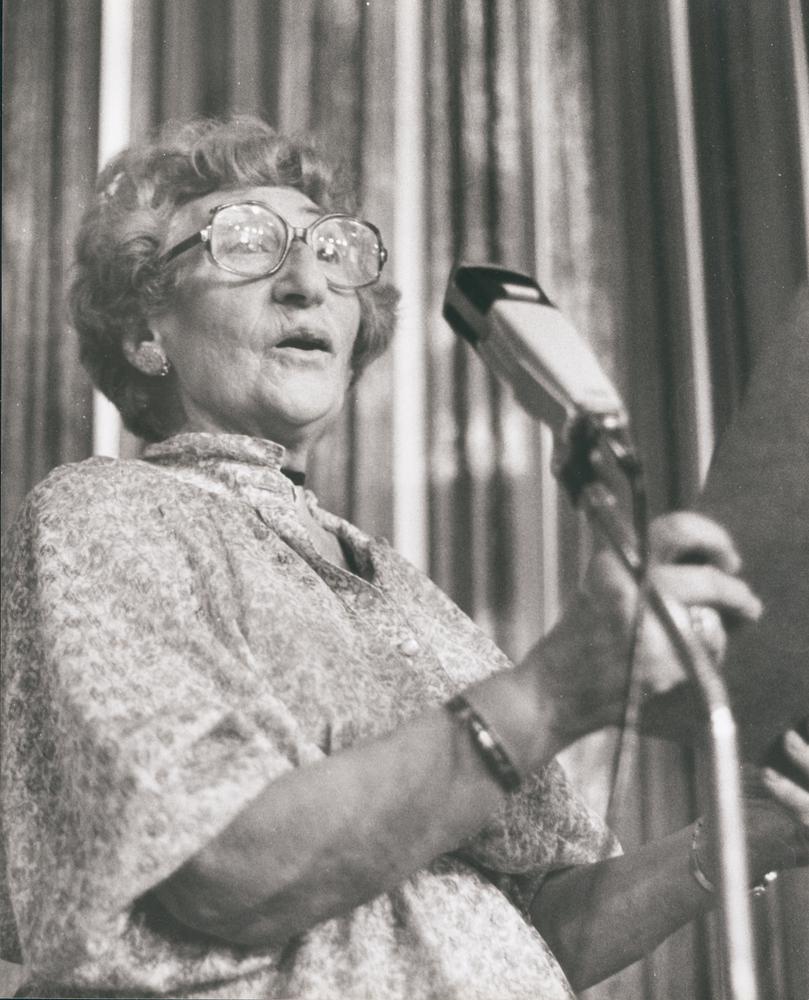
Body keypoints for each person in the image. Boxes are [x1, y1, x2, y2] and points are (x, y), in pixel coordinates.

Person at [1, 116, 807, 1000]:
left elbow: (529, 931)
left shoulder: (401, 589)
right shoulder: (109, 512)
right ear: (144, 331)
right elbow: (226, 869)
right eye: (247, 244)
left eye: (333, 252)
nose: (306, 283)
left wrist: (748, 835)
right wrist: (551, 693)